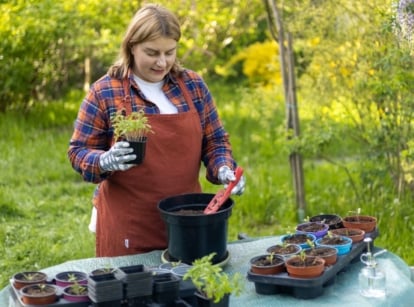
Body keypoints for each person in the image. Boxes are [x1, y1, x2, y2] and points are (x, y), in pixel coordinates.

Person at [67, 3, 245, 257]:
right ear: (132, 46)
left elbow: (215, 141)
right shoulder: (106, 91)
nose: (162, 62)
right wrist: (104, 161)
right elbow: (78, 152)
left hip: (188, 220)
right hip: (130, 226)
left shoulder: (192, 85)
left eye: (170, 52)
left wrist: (224, 169)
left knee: (188, 292)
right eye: (152, 53)